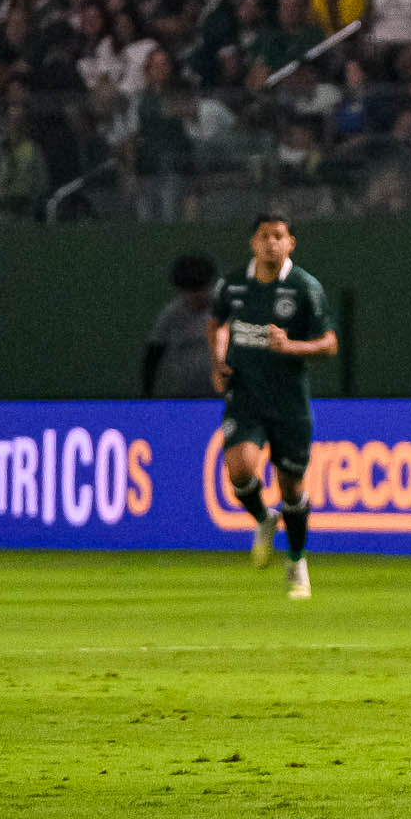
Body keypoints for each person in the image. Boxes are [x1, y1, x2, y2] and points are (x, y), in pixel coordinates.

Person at [209, 214, 339, 600]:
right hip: (246, 395)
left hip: (288, 402)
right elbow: (218, 323)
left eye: (278, 236)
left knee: (292, 488)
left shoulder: (304, 288)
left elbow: (330, 343)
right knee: (239, 468)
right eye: (264, 236)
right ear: (253, 242)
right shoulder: (232, 284)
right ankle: (265, 520)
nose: (270, 243)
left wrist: (292, 346)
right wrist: (218, 361)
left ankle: (297, 562)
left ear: (291, 243)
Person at [140, 254, 218, 398]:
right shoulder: (171, 314)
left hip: (222, 395)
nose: (195, 296)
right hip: (184, 395)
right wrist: (147, 394)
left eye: (200, 289)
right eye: (189, 291)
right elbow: (153, 356)